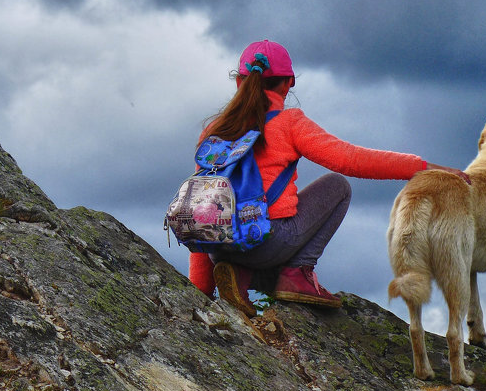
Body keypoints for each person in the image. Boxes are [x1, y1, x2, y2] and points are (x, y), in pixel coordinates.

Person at [188, 39, 468, 315]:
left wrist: (199, 291)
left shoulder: (215, 129)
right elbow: (350, 159)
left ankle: (238, 273)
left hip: (219, 248)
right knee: (338, 186)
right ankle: (297, 274)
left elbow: (202, 209)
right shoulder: (289, 123)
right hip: (265, 243)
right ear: (288, 84)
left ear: (239, 82)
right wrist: (425, 168)